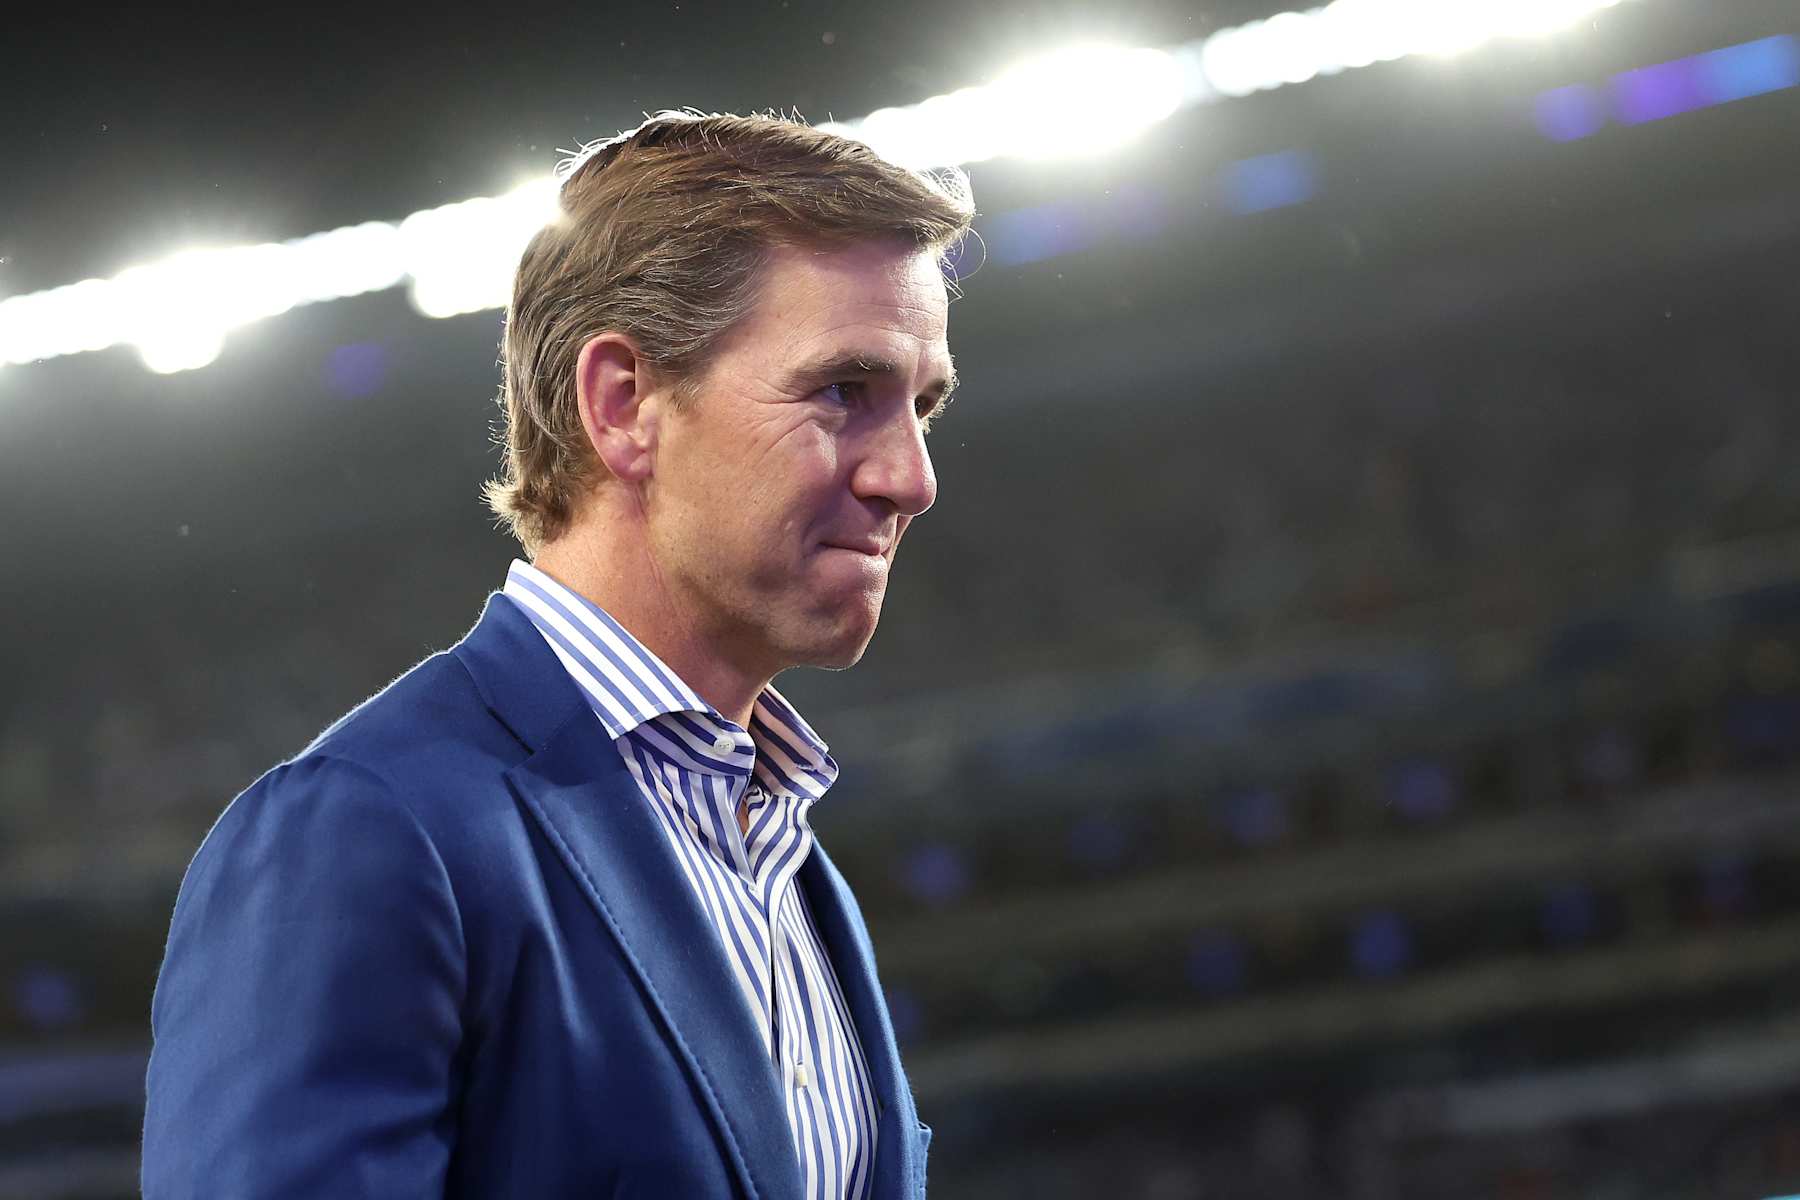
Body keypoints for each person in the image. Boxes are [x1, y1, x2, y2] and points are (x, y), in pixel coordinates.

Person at [142, 110, 975, 1200]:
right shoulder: (364, 827)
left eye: (921, 407)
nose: (912, 478)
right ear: (623, 406)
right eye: (842, 392)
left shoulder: (794, 871)